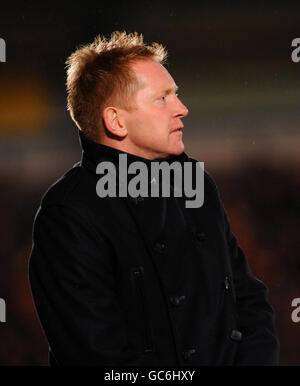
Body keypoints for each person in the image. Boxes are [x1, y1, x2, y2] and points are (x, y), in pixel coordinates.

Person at [29, 31, 279, 366]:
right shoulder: (69, 213)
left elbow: (248, 301)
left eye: (176, 95)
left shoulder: (195, 185)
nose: (182, 109)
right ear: (116, 121)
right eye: (162, 99)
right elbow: (98, 357)